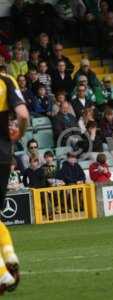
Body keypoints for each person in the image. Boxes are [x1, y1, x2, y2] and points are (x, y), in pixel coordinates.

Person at [0, 71, 28, 292]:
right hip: (3, 154)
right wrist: (18, 134)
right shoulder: (6, 80)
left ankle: (2, 274)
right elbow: (23, 115)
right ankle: (9, 254)